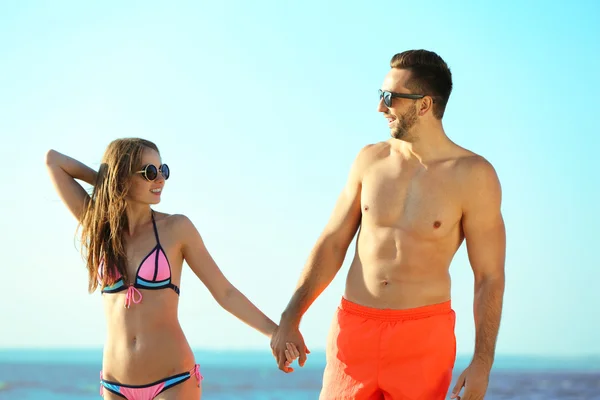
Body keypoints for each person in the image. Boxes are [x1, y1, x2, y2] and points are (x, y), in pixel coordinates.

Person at [270, 50, 506, 400]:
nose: (380, 108)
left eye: (389, 98)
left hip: (423, 338)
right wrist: (292, 315)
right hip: (353, 332)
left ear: (424, 105)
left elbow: (489, 277)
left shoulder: (473, 176)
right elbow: (333, 241)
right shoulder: (370, 159)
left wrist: (482, 363)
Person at [45, 138, 299, 400]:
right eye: (150, 173)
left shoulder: (176, 229)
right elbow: (54, 161)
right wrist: (108, 182)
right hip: (115, 385)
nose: (160, 180)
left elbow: (225, 292)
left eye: (162, 171)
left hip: (173, 382)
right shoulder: (101, 228)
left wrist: (275, 333)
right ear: (122, 177)